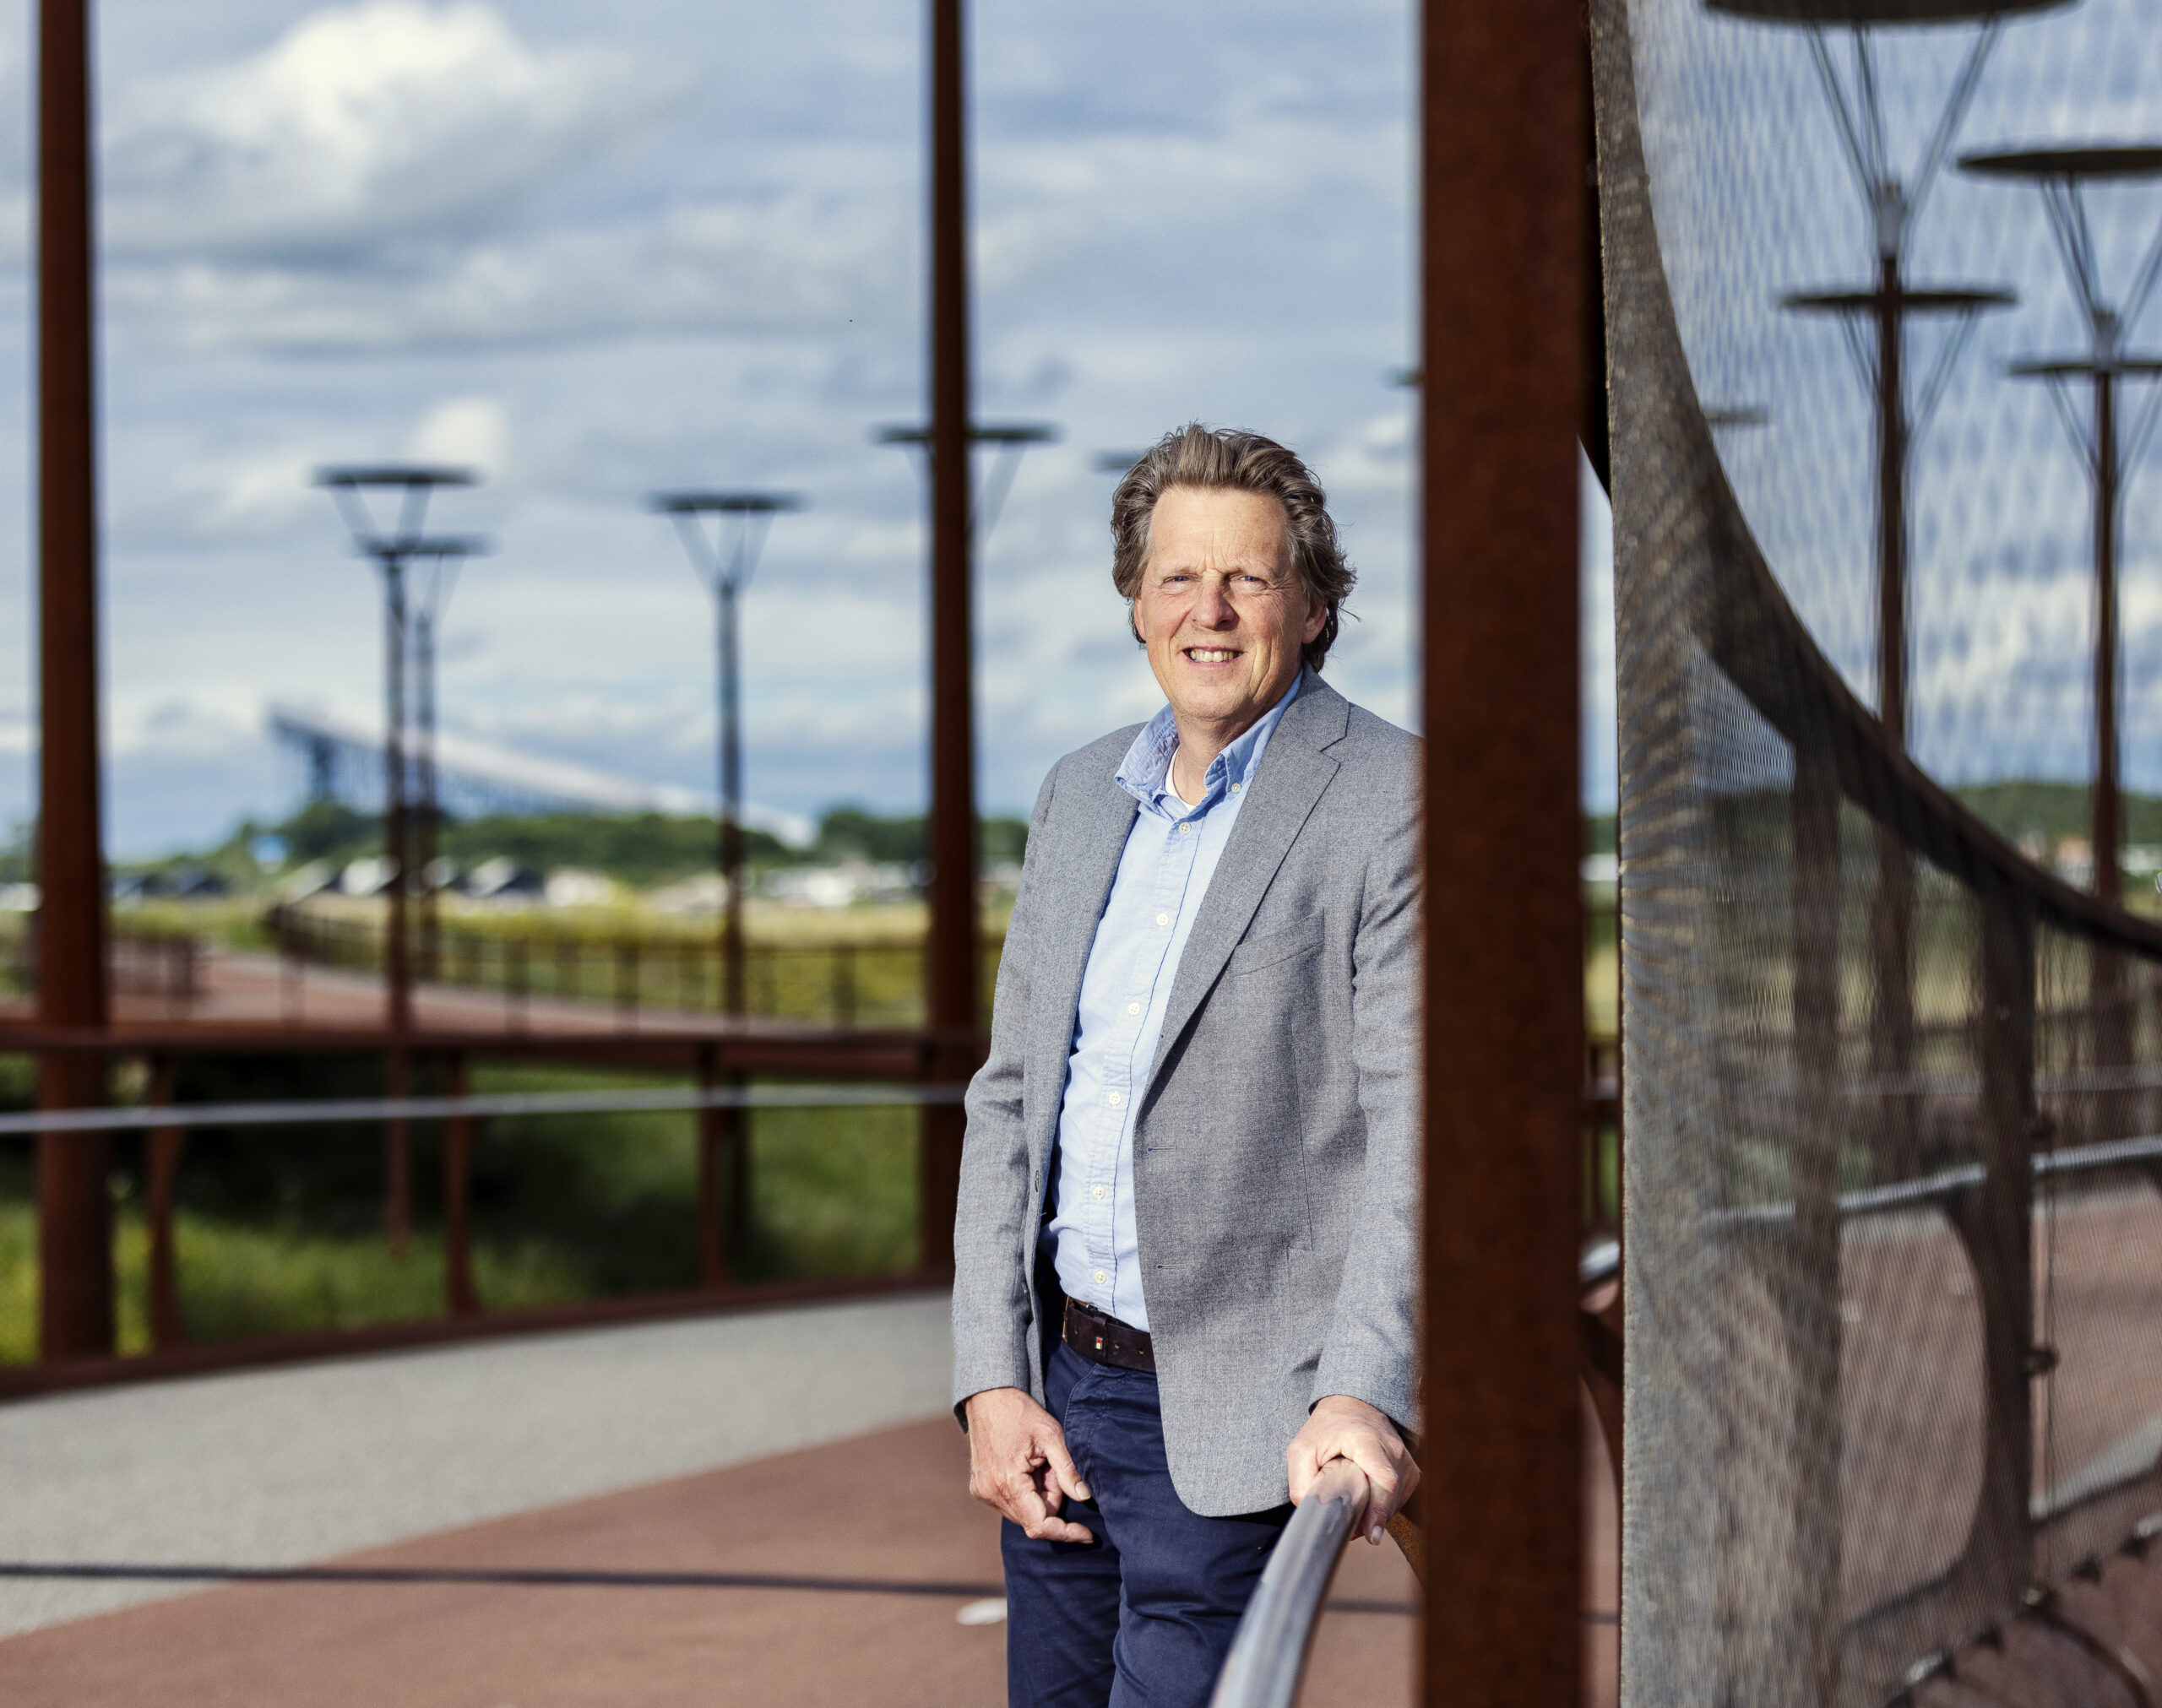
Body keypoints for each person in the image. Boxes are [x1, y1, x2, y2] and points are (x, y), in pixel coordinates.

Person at [951, 422, 1421, 1707]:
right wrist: (992, 1376)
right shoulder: (1077, 795)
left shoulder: (1394, 799)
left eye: (1250, 579)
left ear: (1315, 609)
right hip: (1062, 1402)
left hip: (1244, 1409)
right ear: (1135, 604)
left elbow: (1418, 1126)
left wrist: (1362, 1391)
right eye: (1176, 579)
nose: (1208, 612)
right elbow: (1009, 1099)